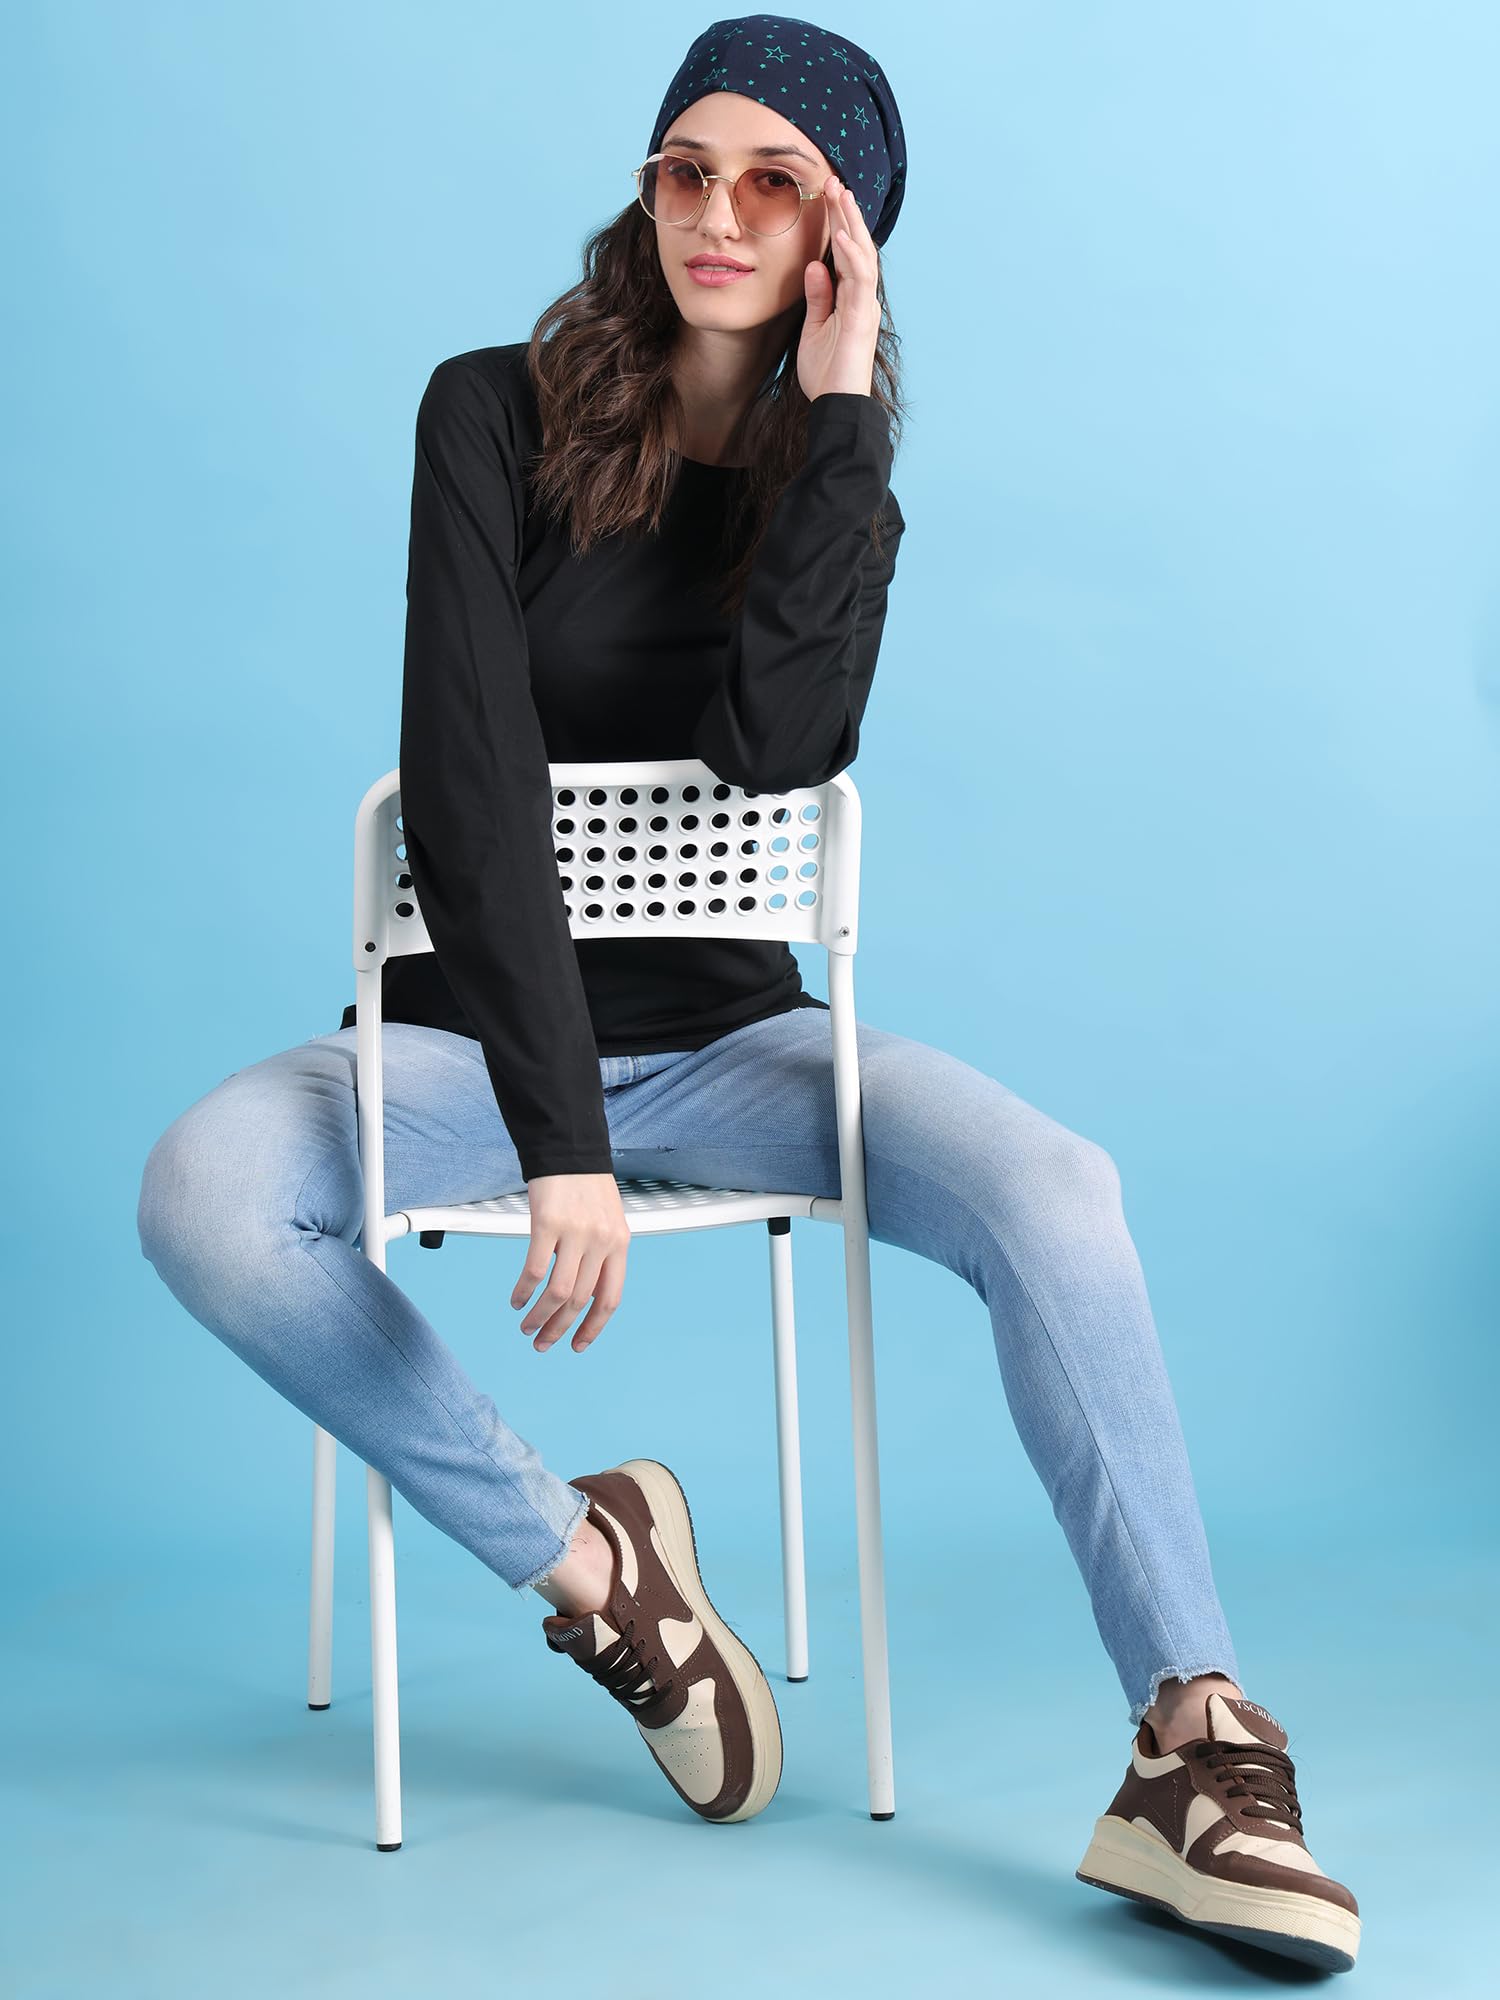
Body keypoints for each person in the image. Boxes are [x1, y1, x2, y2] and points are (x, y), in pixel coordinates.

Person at [136, 12, 1360, 1974]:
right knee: (205, 1191)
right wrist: (558, 1138)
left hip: (735, 1045)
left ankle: (1192, 1743)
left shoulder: (835, 471)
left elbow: (778, 748)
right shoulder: (486, 413)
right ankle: (595, 1567)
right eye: (685, 171)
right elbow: (469, 781)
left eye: (775, 184)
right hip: (470, 1050)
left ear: (841, 235)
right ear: (646, 195)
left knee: (1059, 1186)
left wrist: (840, 417)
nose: (718, 213)